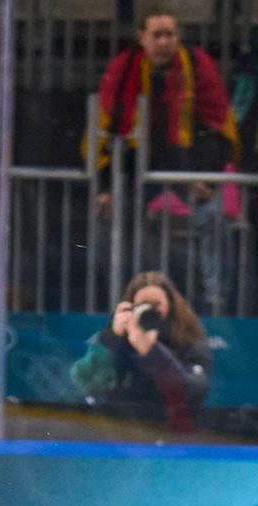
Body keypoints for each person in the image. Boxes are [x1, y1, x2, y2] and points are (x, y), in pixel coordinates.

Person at [88, 7, 239, 316]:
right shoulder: (124, 68)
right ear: (141, 38)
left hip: (189, 169)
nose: (164, 42)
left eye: (170, 34)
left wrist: (207, 180)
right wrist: (107, 186)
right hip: (133, 171)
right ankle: (120, 303)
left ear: (178, 37)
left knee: (215, 218)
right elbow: (104, 132)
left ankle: (216, 309)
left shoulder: (197, 66)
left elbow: (218, 124)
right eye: (156, 35)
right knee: (106, 220)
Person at [70, 269, 211, 434]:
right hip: (120, 431)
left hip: (171, 434)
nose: (149, 311)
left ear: (171, 306)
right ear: (130, 307)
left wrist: (152, 352)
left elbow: (192, 392)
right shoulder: (118, 336)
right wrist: (111, 339)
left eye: (156, 305)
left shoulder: (188, 338)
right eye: (143, 305)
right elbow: (86, 384)